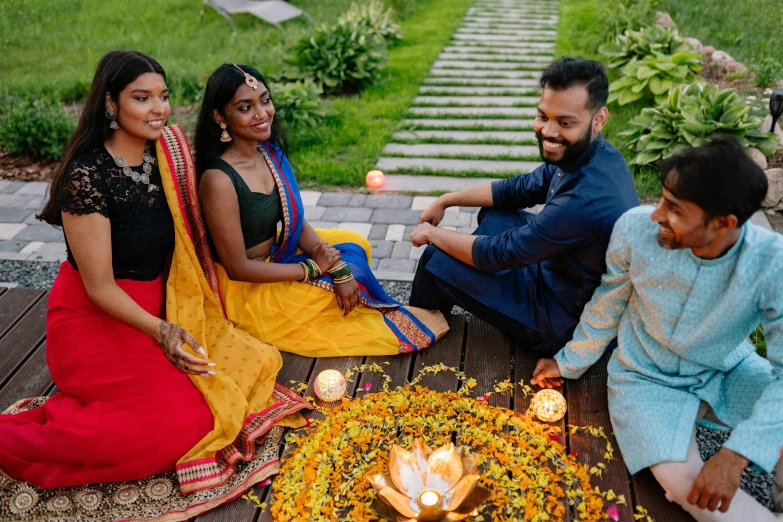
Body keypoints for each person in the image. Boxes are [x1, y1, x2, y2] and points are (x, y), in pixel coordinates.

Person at [0, 51, 308, 521]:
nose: (158, 108)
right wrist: (161, 332)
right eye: (141, 98)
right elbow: (100, 285)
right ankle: (19, 438)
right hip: (98, 318)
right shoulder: (87, 176)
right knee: (176, 427)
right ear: (110, 104)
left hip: (166, 308)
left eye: (162, 96)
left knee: (232, 385)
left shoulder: (166, 157)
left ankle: (80, 415)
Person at [531, 136, 783, 521]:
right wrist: (568, 362)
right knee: (688, 486)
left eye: (675, 209)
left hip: (726, 369)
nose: (656, 215)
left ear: (724, 224)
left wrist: (736, 457)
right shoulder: (634, 229)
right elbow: (608, 300)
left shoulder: (772, 263)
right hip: (644, 380)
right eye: (662, 199)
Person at [192, 64, 448, 358]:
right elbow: (239, 269)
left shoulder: (267, 152)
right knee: (329, 300)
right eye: (245, 107)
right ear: (220, 116)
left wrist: (334, 265)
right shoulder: (219, 180)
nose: (262, 113)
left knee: (354, 243)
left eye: (265, 100)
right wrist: (314, 268)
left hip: (279, 252)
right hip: (248, 286)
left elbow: (292, 218)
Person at [408, 56, 639, 355]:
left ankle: (414, 334)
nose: (548, 132)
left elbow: (498, 254)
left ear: (598, 119)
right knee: (495, 212)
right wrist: (445, 200)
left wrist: (432, 233)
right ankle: (447, 306)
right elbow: (518, 189)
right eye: (544, 117)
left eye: (565, 122)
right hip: (554, 270)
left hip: (561, 320)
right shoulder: (592, 153)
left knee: (434, 260)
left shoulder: (586, 200)